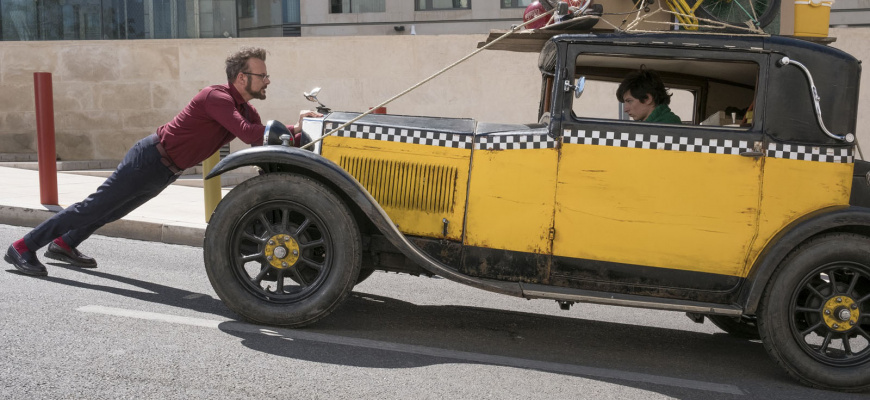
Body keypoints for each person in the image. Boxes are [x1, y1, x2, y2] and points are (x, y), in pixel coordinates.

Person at [4, 47, 321, 276]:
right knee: (92, 207)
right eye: (262, 75)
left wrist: (299, 128)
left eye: (267, 75)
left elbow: (256, 137)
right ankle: (22, 247)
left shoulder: (247, 110)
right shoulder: (217, 97)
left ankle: (64, 243)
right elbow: (248, 132)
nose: (267, 80)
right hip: (149, 159)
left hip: (165, 171)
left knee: (114, 209)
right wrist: (291, 125)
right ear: (242, 77)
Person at [616, 68, 681, 124]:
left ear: (647, 99)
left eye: (629, 101)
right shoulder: (651, 124)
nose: (625, 109)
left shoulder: (667, 124)